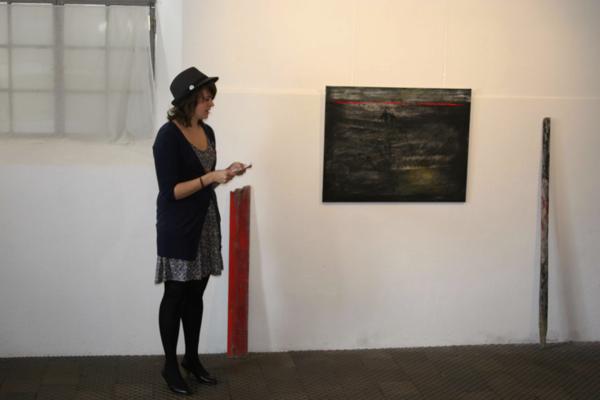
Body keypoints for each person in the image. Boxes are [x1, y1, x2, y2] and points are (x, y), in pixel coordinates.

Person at [152, 67, 248, 395]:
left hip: (206, 223)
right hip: (179, 228)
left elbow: (205, 182)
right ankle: (170, 365)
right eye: (205, 99)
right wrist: (211, 177)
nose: (211, 104)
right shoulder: (168, 136)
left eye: (211, 98)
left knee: (196, 295)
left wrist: (226, 173)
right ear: (188, 101)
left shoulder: (208, 131)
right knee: (175, 295)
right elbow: (171, 192)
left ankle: (191, 359)